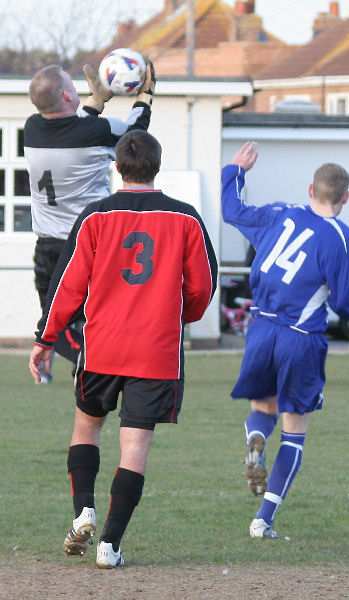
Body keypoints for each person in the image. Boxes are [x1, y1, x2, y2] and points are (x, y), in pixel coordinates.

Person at [29, 129, 217, 568]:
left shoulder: (96, 217)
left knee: (86, 427)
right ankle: (110, 545)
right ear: (157, 166)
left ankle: (84, 511)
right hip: (155, 352)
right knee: (134, 448)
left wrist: (45, 338)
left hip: (103, 348)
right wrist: (181, 316)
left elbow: (68, 285)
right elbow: (203, 287)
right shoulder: (186, 219)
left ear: (117, 167)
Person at [221, 141, 349, 539]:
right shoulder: (341, 238)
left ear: (310, 190)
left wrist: (235, 172)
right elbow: (345, 303)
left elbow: (232, 210)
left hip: (261, 329)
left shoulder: (281, 213)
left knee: (262, 407)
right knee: (295, 430)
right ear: (346, 198)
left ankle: (254, 437)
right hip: (300, 338)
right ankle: (262, 520)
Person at [24, 59, 155, 382]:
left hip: (47, 246)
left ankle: (92, 365)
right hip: (85, 246)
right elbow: (134, 138)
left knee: (54, 321)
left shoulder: (32, 127)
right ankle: (100, 364)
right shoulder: (96, 132)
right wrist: (146, 96)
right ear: (69, 97)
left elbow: (73, 127)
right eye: (72, 86)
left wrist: (96, 102)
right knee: (91, 319)